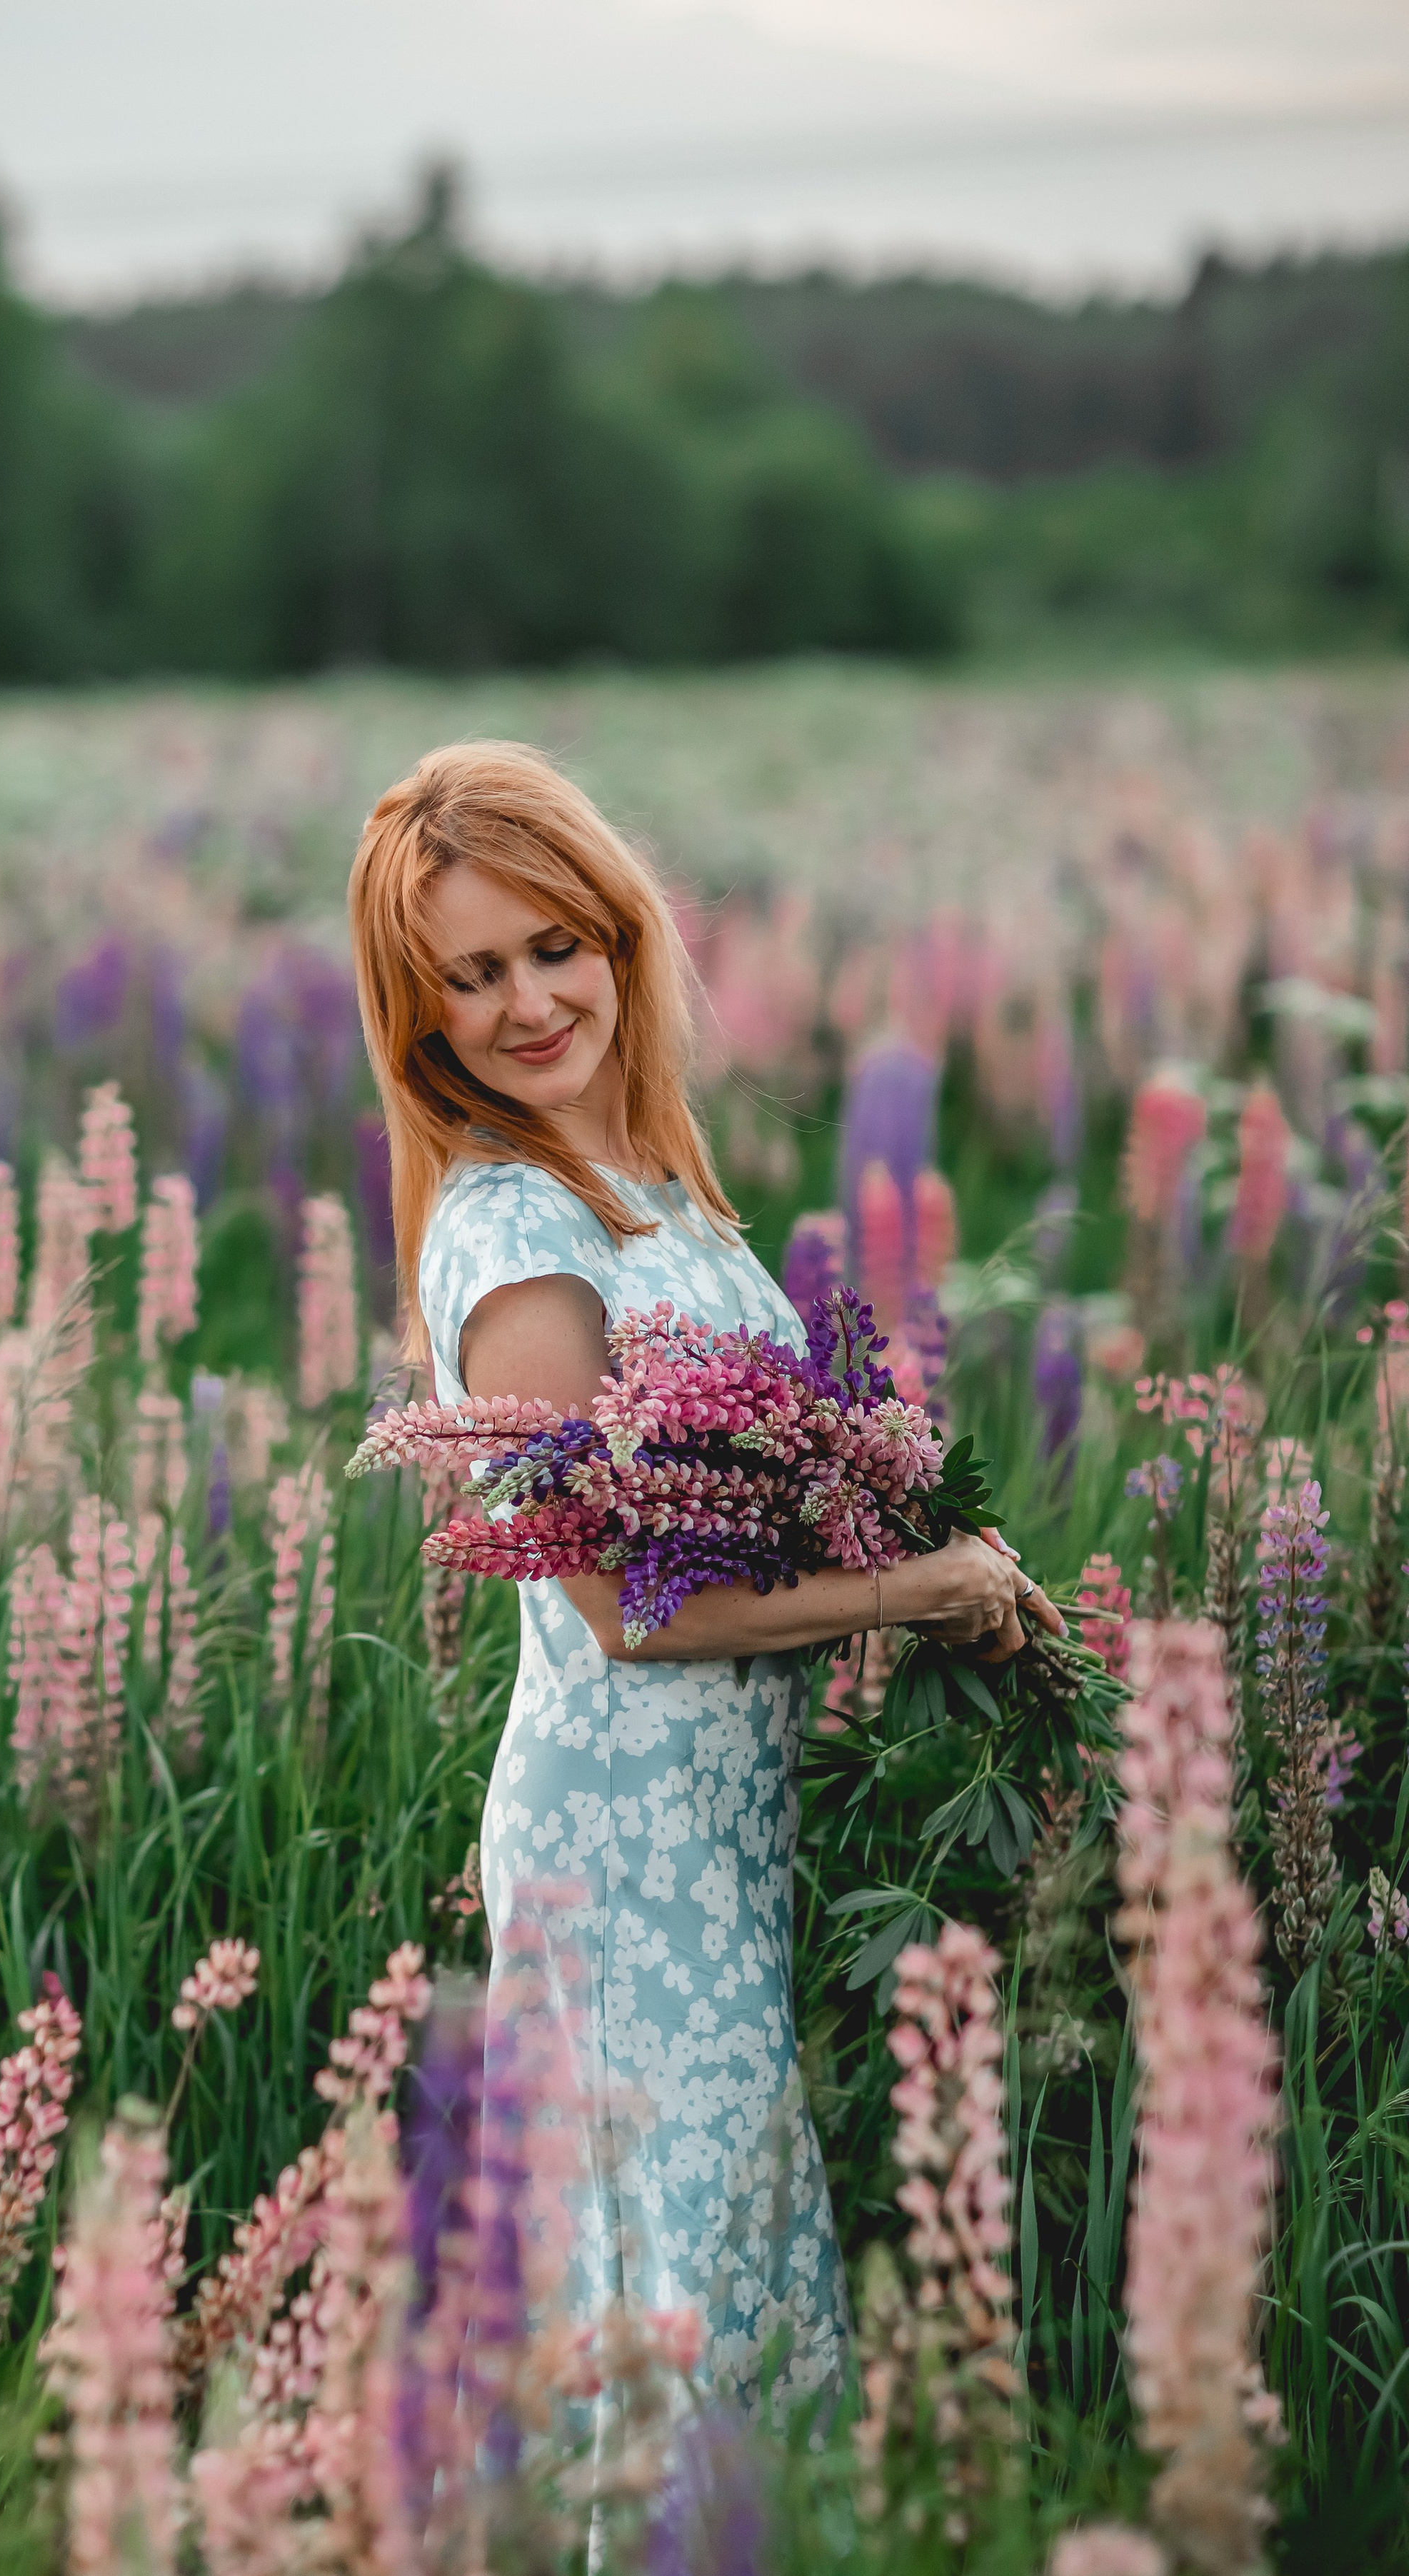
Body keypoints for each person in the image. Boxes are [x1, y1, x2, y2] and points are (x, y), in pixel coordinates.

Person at [348, 740, 1060, 2413]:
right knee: (679, 2298)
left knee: (710, 2267)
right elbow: (622, 1607)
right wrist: (915, 1591)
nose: (526, 1001)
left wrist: (915, 1535)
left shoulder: (652, 1191)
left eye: (551, 946)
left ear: (616, 934)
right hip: (621, 1846)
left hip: (712, 1830)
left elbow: (729, 1501)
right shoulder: (522, 1234)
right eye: (469, 975)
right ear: (420, 1017)